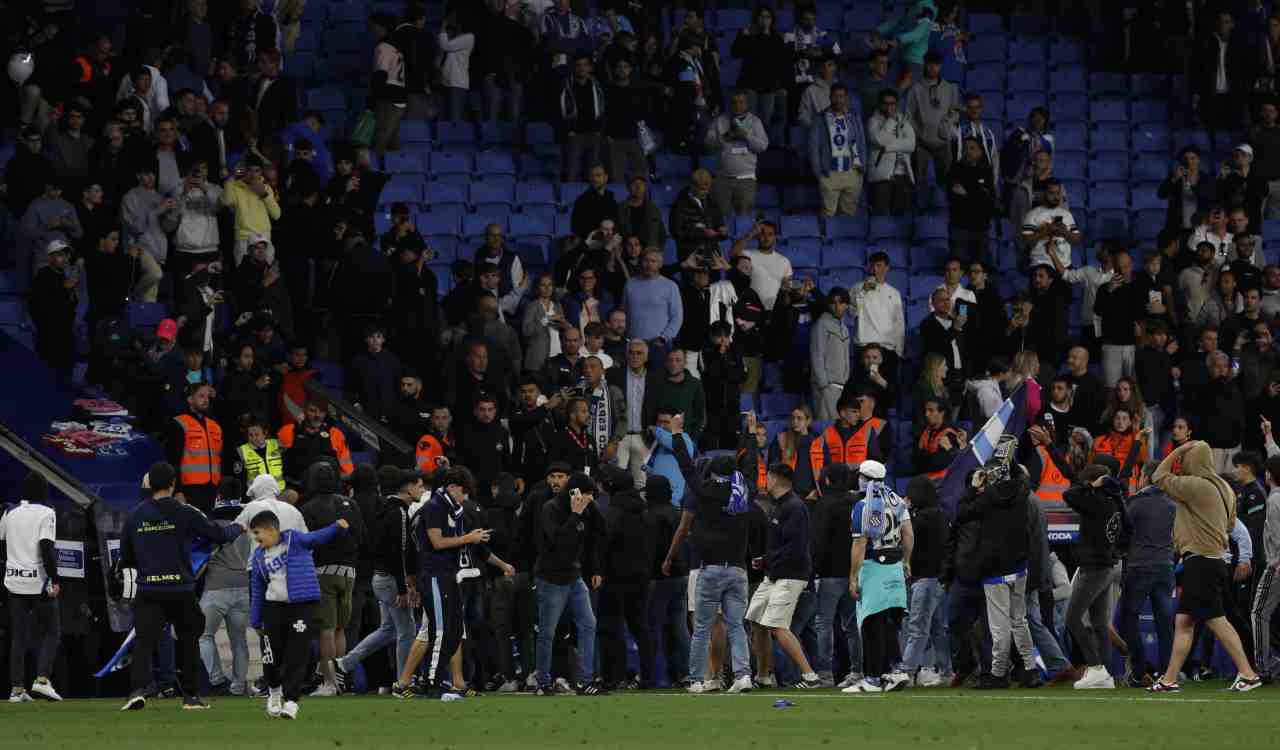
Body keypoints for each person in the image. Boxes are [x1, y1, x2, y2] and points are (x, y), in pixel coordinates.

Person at [116, 462, 245, 711]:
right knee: (188, 640)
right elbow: (218, 535)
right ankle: (191, 697)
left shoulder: (135, 516)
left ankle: (136, 691)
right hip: (180, 589)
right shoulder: (185, 511)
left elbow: (127, 557)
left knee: (144, 641)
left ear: (150, 485)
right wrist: (241, 525)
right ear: (173, 484)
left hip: (148, 589)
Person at [1150, 440, 1262, 692]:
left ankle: (1248, 674)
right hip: (1214, 560)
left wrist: (1176, 451)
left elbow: (1158, 476)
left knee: (1216, 620)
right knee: (1184, 622)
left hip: (1200, 560)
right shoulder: (1226, 488)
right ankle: (1169, 679)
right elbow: (1232, 525)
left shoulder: (1196, 485)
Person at [660, 420, 754, 694]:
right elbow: (751, 465)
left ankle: (697, 680)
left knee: (701, 628)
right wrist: (748, 435)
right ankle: (743, 675)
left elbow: (686, 467)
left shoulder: (705, 492)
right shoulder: (745, 492)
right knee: (736, 625)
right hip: (738, 569)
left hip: (710, 569)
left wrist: (677, 435)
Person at [248, 509, 350, 720]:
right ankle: (274, 692)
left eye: (258, 533)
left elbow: (317, 538)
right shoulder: (258, 557)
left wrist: (336, 527)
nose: (256, 539)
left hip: (302, 607)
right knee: (271, 656)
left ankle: (292, 701)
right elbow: (257, 589)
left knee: (297, 654)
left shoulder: (295, 540)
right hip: (274, 608)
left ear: (271, 529)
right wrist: (256, 619)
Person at [331, 468, 421, 686]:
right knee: (407, 633)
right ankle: (403, 681)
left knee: (388, 629)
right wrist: (403, 587)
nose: (422, 490)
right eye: (419, 486)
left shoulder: (385, 508)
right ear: (409, 489)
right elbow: (398, 551)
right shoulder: (398, 513)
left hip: (379, 577)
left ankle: (343, 663)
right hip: (390, 580)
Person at [747, 462, 823, 689]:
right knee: (756, 620)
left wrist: (769, 560)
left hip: (791, 575)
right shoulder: (778, 506)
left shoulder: (794, 507)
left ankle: (810, 676)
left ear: (774, 478)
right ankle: (763, 676)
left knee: (777, 626)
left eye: (767, 477)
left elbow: (796, 547)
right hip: (774, 575)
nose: (765, 481)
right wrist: (766, 561)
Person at [531, 472, 607, 695]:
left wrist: (589, 509)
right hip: (551, 578)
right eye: (587, 494)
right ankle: (542, 682)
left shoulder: (586, 510)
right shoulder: (550, 509)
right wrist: (575, 514)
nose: (589, 499)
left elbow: (598, 533)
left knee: (588, 624)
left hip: (574, 576)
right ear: (574, 492)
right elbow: (558, 540)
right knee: (547, 632)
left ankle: (585, 680)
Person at [843, 460, 913, 693]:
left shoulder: (865, 506)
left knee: (872, 622)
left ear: (864, 478)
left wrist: (853, 577)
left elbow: (860, 543)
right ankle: (896, 670)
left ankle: (872, 678)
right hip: (894, 565)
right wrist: (906, 560)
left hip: (874, 565)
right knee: (888, 622)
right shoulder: (896, 500)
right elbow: (908, 534)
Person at [299, 461, 365, 697]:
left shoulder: (308, 508)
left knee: (326, 629)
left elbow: (305, 543)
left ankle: (328, 683)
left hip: (322, 572)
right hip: (349, 572)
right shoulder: (351, 504)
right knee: (340, 628)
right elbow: (361, 536)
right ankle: (339, 680)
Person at [1063, 467, 1127, 689]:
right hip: (1107, 565)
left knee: (1072, 618)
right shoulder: (1114, 503)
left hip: (1093, 568)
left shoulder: (1095, 503)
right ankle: (1105, 675)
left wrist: (1091, 486)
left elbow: (1068, 495)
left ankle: (1096, 667)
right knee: (1099, 623)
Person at [2, 472, 63, 703]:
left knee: (18, 635)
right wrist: (55, 578)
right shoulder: (47, 513)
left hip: (13, 581)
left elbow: (2, 545)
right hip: (38, 583)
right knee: (51, 630)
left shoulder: (9, 512)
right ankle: (42, 680)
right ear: (43, 491)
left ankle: (17, 689)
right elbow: (46, 548)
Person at [1120, 461, 1177, 687]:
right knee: (1165, 623)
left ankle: (1139, 671)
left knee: (1128, 618)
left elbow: (1123, 531)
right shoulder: (1172, 504)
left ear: (1145, 477)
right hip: (1165, 566)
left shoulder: (1137, 503)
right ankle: (1167, 674)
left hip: (1140, 566)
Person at [200, 480, 253, 697]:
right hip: (243, 585)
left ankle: (217, 680)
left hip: (215, 586)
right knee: (239, 640)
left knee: (204, 635)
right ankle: (239, 686)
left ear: (219, 495)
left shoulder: (209, 518)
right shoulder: (248, 518)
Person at [900, 475, 949, 686]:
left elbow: (905, 535)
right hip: (934, 579)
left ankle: (907, 671)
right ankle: (946, 671)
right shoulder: (938, 515)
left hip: (924, 580)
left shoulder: (923, 519)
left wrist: (903, 511)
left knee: (918, 628)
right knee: (937, 629)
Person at [704, 92, 768, 219]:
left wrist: (746, 136)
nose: (737, 105)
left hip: (746, 179)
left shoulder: (754, 121)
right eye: (734, 102)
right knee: (721, 219)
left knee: (744, 220)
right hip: (723, 179)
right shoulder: (720, 120)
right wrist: (724, 137)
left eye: (741, 102)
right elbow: (708, 142)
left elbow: (762, 146)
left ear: (746, 104)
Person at [808, 83, 866, 217]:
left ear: (847, 98)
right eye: (835, 96)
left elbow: (861, 142)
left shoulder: (854, 116)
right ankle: (825, 237)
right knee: (828, 213)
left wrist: (862, 168)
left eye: (842, 96)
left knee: (849, 213)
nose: (839, 100)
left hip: (852, 171)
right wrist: (818, 172)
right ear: (830, 97)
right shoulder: (820, 118)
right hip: (829, 172)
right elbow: (814, 146)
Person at [164, 383, 223, 513]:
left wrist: (220, 489)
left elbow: (219, 460)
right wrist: (177, 490)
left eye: (207, 396)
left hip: (212, 490)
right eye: (201, 396)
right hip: (189, 490)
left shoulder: (215, 426)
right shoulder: (179, 423)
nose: (206, 400)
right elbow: (173, 461)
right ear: (190, 400)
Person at [25, 239, 78, 376]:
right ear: (50, 257)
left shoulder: (64, 277)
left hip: (65, 336)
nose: (64, 258)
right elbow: (40, 305)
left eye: (66, 255)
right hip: (49, 339)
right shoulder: (43, 276)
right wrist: (64, 289)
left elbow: (71, 305)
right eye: (60, 255)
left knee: (66, 377)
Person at [1250, 455, 1280, 681]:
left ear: (1270, 474)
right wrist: (1269, 437)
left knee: (1259, 613)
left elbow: (1278, 537)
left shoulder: (1274, 501)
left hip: (1277, 565)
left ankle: (1264, 667)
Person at [623, 248, 683, 361]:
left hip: (660, 345)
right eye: (646, 260)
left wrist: (663, 338)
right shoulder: (630, 284)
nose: (649, 264)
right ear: (641, 262)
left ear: (660, 264)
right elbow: (624, 312)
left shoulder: (670, 286)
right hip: (634, 345)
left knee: (658, 378)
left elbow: (677, 316)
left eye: (653, 261)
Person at [865, 88, 916, 216]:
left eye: (892, 103)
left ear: (897, 104)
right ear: (880, 104)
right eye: (886, 103)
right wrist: (892, 121)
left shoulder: (903, 120)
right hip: (881, 177)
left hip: (902, 175)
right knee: (881, 216)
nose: (889, 107)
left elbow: (911, 145)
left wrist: (888, 148)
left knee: (901, 218)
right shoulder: (873, 121)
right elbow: (880, 140)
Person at [277, 400, 355, 482]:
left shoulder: (336, 434)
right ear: (304, 410)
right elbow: (276, 462)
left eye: (321, 411)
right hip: (296, 485)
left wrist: (350, 484)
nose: (317, 415)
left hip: (328, 487)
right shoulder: (288, 431)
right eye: (313, 411)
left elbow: (346, 464)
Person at [810, 288, 851, 421]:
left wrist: (845, 381)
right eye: (834, 303)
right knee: (826, 429)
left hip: (841, 387)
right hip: (826, 387)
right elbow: (817, 355)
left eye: (841, 303)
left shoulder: (844, 328)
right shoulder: (821, 324)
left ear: (847, 305)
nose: (837, 306)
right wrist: (824, 385)